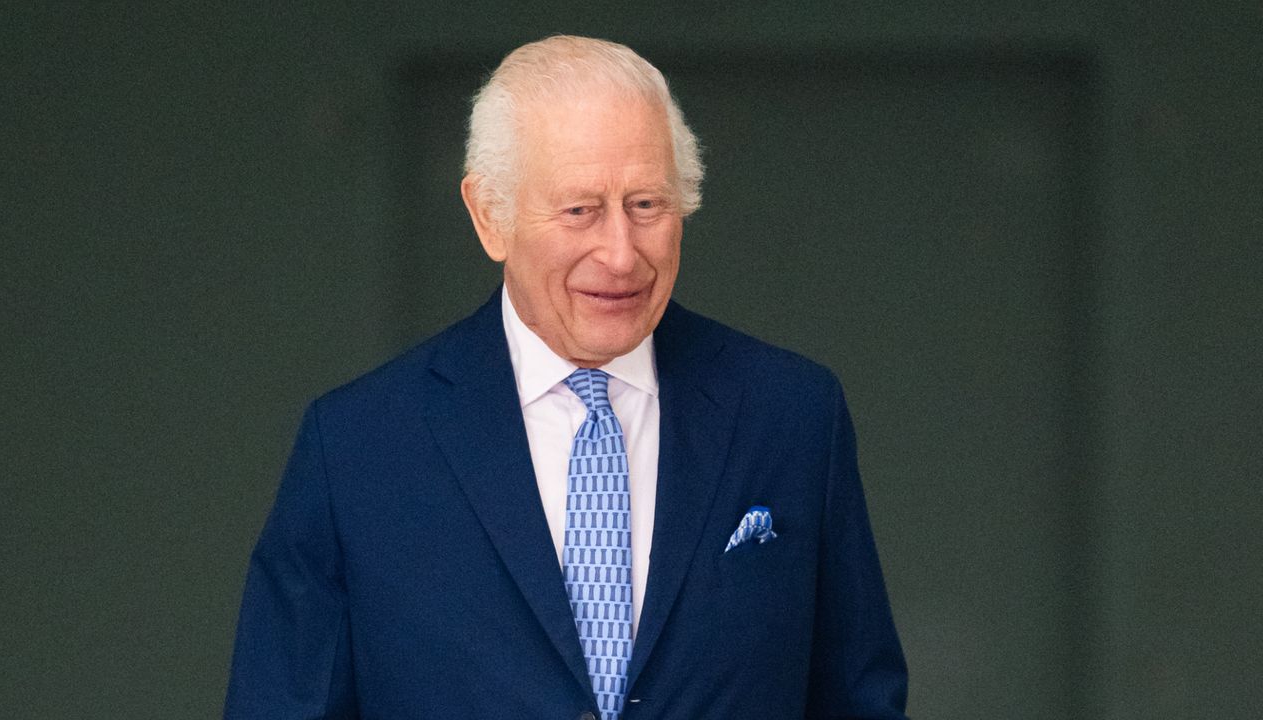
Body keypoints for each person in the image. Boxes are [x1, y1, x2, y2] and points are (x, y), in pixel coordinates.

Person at [224, 35, 908, 720]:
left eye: (646, 205)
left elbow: (860, 700)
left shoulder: (791, 417)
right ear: (490, 215)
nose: (620, 254)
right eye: (580, 210)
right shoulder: (357, 449)